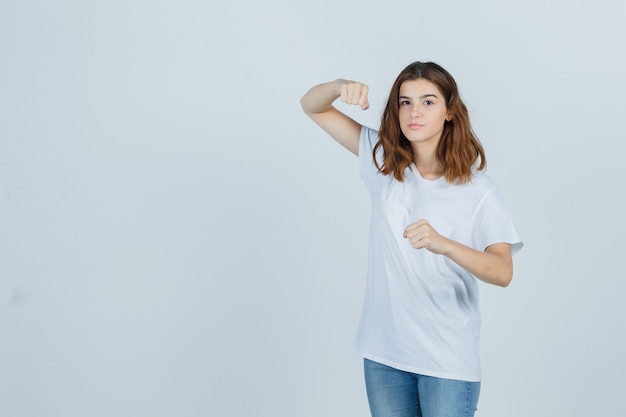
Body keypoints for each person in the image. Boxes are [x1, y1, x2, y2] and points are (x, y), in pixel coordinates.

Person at [300, 61, 523, 417]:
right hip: (384, 354)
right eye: (405, 102)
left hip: (446, 360)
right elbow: (312, 105)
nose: (414, 112)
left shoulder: (478, 189)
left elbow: (502, 271)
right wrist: (338, 85)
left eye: (428, 102)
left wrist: (444, 244)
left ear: (450, 111)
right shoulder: (382, 160)